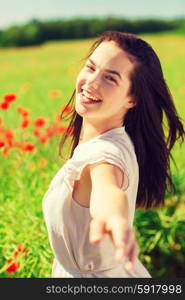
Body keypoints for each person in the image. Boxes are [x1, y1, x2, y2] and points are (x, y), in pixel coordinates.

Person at [42, 31, 185, 278]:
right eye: (91, 67)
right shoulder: (114, 140)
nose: (91, 82)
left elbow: (107, 189)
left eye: (110, 78)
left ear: (132, 98)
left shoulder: (105, 152)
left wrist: (113, 219)